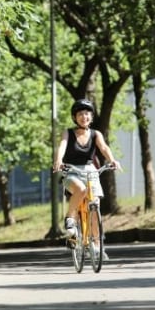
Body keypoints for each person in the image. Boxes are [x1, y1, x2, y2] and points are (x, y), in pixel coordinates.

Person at [52, 98, 120, 247]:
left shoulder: (96, 134)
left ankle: (96, 244)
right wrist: (58, 161)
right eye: (81, 114)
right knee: (81, 190)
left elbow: (103, 148)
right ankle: (70, 219)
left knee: (95, 208)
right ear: (75, 117)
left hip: (90, 171)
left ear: (91, 116)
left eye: (87, 113)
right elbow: (62, 146)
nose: (84, 117)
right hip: (71, 170)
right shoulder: (68, 133)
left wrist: (112, 160)